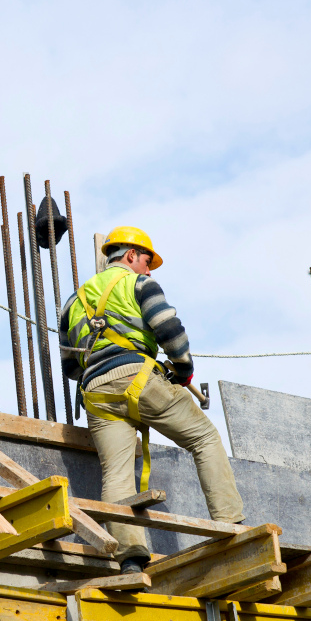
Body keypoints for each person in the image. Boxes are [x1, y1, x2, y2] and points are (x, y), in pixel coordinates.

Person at [59, 227, 244, 573]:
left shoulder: (73, 302)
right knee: (204, 438)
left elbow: (70, 366)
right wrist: (184, 369)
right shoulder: (140, 284)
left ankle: (130, 558)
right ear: (131, 255)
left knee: (116, 474)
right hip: (139, 379)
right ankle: (231, 524)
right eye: (147, 261)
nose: (148, 269)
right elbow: (169, 329)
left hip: (96, 393)